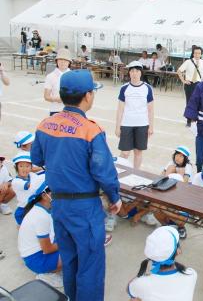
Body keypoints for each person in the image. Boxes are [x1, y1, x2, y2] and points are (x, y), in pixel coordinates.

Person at [31, 69, 122, 301]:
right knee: (90, 266)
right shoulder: (91, 129)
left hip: (59, 206)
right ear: (88, 96)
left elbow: (37, 160)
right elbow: (104, 172)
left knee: (70, 259)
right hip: (85, 208)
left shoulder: (45, 124)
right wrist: (115, 198)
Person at [128, 226, 197, 301]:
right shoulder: (191, 274)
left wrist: (145, 276)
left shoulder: (140, 283)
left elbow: (130, 289)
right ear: (178, 251)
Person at [18, 176, 63, 287]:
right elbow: (47, 249)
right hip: (37, 258)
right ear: (44, 195)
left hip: (37, 253)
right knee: (76, 252)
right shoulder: (40, 216)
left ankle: (53, 267)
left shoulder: (43, 209)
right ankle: (45, 274)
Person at [116, 61, 154, 170]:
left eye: (137, 71)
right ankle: (117, 173)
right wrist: (117, 127)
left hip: (142, 124)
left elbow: (151, 110)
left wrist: (151, 126)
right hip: (127, 124)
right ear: (129, 73)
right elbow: (120, 109)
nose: (134, 73)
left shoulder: (147, 88)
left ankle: (135, 174)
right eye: (132, 71)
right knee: (125, 153)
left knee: (138, 152)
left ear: (141, 73)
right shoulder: (124, 88)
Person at [178, 46, 203, 127]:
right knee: (189, 102)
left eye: (199, 53)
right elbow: (179, 71)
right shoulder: (188, 62)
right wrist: (183, 81)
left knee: (198, 103)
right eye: (195, 53)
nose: (197, 55)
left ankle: (196, 120)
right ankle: (188, 120)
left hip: (199, 85)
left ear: (201, 54)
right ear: (193, 53)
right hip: (189, 84)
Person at [11, 151, 39, 225]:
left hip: (35, 205)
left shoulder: (32, 175)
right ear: (16, 167)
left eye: (27, 166)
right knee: (22, 224)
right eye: (21, 166)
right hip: (24, 207)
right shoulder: (16, 181)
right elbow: (30, 185)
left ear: (31, 167)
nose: (24, 169)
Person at [44, 48, 72, 116]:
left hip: (71, 111)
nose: (63, 62)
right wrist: (57, 99)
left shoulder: (73, 76)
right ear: (56, 61)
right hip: (55, 111)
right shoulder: (50, 76)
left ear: (69, 62)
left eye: (65, 60)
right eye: (60, 59)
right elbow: (46, 96)